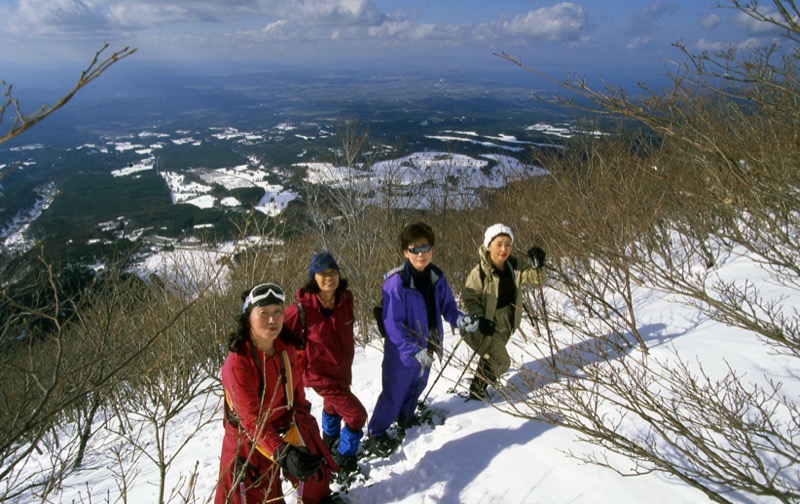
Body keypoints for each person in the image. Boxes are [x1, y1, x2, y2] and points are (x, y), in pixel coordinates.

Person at [214, 282, 344, 504]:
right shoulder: (238, 363)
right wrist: (283, 453)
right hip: (248, 438)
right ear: (248, 318)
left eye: (277, 312)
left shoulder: (286, 348)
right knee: (255, 495)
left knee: (314, 474)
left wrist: (307, 432)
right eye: (263, 313)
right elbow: (251, 420)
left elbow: (297, 394)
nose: (272, 320)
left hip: (286, 422)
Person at [365, 221, 479, 456]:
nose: (420, 254)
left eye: (425, 248)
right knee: (394, 391)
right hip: (401, 351)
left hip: (430, 342)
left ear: (432, 249)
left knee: (419, 384)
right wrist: (413, 349)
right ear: (405, 252)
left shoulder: (437, 277)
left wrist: (460, 320)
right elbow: (392, 324)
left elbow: (448, 307)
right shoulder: (396, 283)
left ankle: (405, 418)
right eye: (414, 249)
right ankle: (377, 432)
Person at [284, 252, 368, 476]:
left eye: (332, 272)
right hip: (320, 376)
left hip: (341, 372)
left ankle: (328, 444)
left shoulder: (345, 299)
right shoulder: (301, 310)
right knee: (357, 416)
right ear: (314, 277)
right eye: (322, 273)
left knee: (333, 408)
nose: (328, 277)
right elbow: (276, 333)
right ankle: (342, 458)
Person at [461, 223, 547, 400]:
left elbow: (537, 281)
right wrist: (479, 319)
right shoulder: (480, 272)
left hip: (506, 322)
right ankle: (477, 393)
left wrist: (539, 264)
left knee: (490, 357)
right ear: (488, 245)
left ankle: (477, 390)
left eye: (508, 244)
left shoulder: (513, 266)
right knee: (501, 361)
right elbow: (468, 300)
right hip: (484, 325)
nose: (504, 249)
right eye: (498, 244)